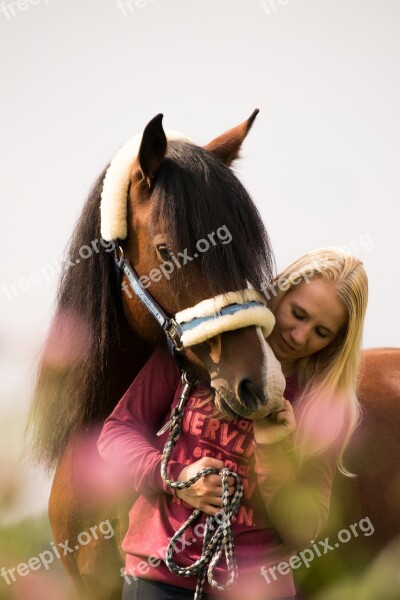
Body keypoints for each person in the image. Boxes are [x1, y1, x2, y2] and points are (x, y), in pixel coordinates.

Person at [97, 247, 368, 600]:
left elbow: (306, 528)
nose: (300, 337)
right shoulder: (201, 345)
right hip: (160, 573)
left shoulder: (323, 405)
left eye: (321, 332)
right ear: (279, 293)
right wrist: (176, 478)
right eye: (297, 314)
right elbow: (117, 432)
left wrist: (273, 449)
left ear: (337, 341)